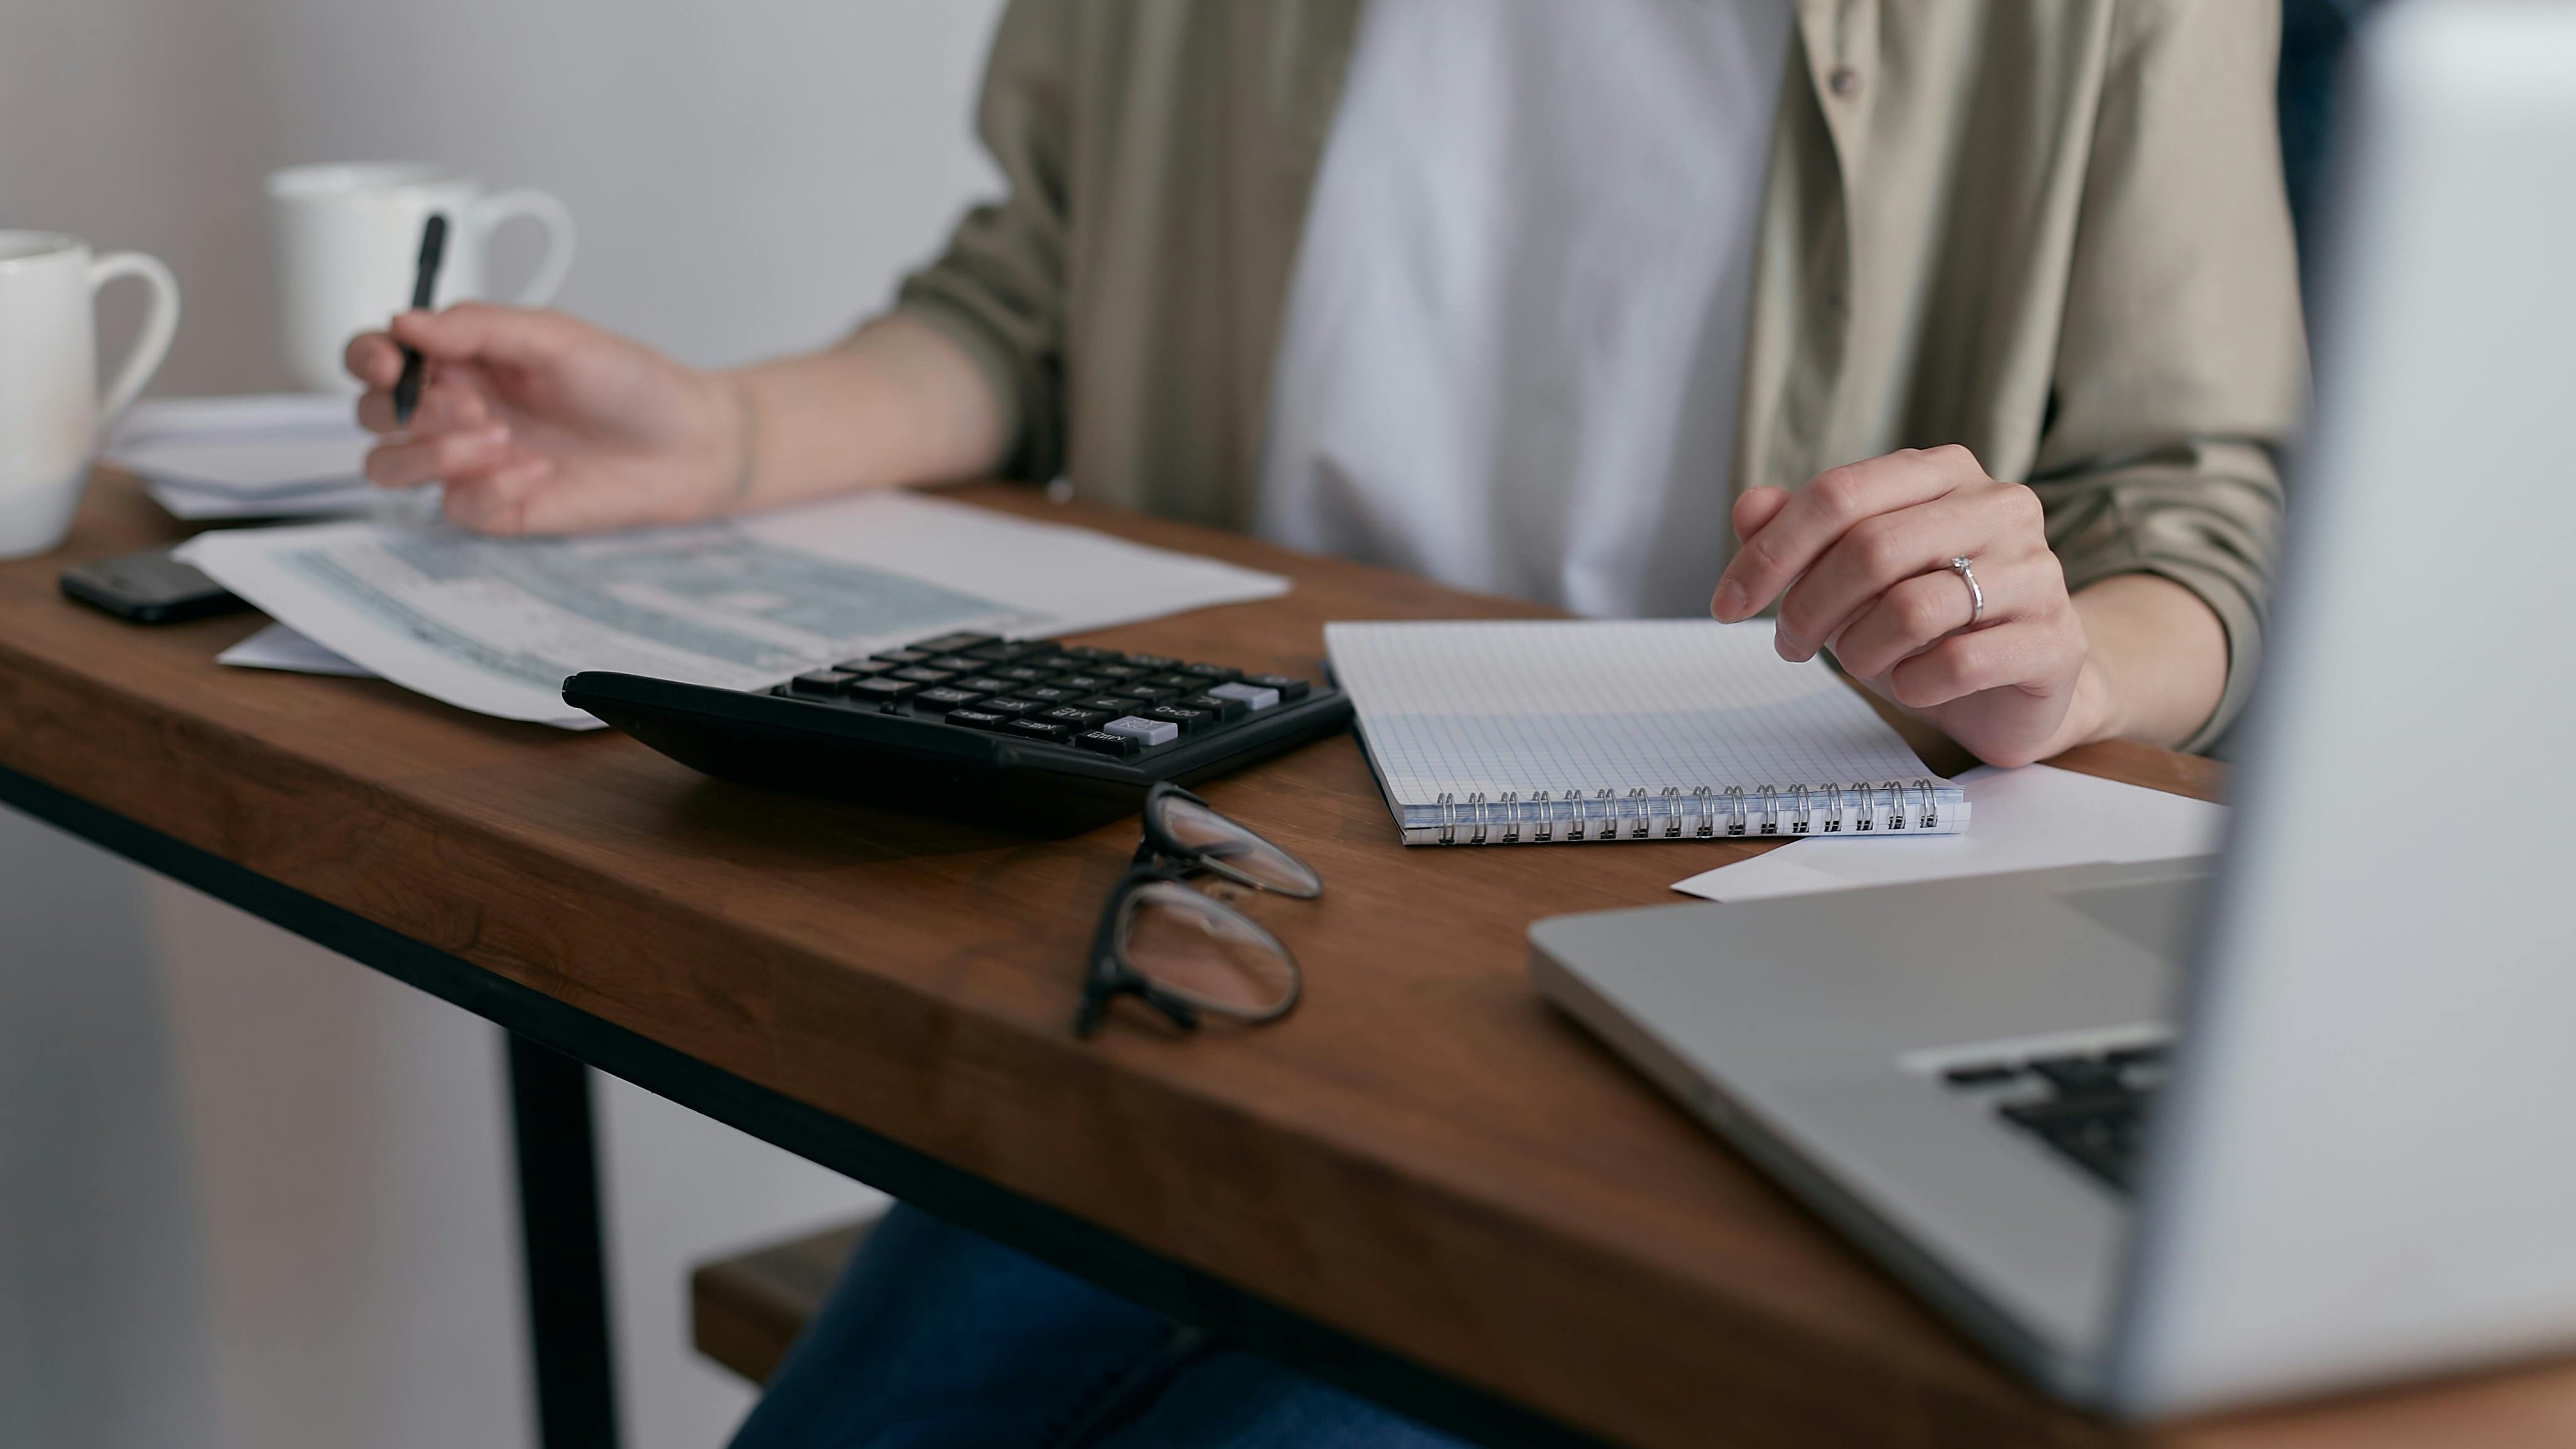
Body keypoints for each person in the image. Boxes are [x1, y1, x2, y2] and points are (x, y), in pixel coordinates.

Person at [346, 3, 2303, 1443]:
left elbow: (2196, 517)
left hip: (1750, 936)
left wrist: (2061, 662)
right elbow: (1031, 305)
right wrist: (730, 433)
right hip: (1234, 891)